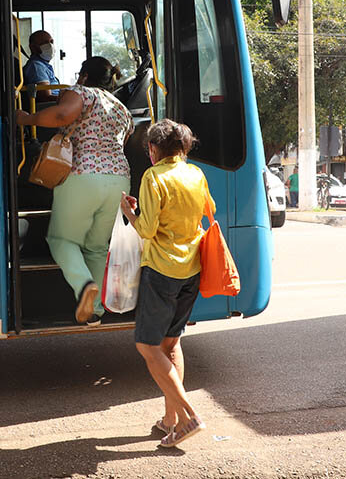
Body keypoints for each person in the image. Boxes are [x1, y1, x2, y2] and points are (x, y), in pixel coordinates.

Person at [16, 56, 131, 326]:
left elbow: (61, 115)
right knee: (97, 247)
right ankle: (95, 312)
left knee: (62, 241)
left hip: (83, 176)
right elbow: (126, 138)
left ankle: (84, 287)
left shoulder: (81, 92)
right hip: (119, 180)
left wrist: (27, 117)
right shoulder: (120, 107)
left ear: (84, 76)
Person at [120, 119, 210, 448]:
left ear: (153, 149)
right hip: (192, 267)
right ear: (184, 148)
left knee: (147, 346)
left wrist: (130, 212)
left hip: (162, 270)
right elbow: (202, 212)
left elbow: (146, 230)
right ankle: (171, 420)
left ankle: (188, 417)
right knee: (171, 345)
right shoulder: (195, 174)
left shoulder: (153, 176)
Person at [22, 30, 60, 101]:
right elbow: (45, 96)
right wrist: (67, 99)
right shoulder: (36, 66)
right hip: (51, 106)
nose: (50, 46)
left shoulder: (44, 65)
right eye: (45, 43)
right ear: (33, 47)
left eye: (51, 42)